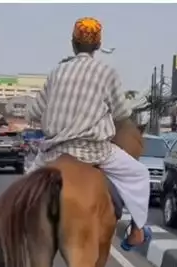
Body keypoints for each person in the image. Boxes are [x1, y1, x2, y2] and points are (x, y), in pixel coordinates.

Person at [27, 17, 151, 250]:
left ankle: (20, 233)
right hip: (95, 151)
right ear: (97, 46)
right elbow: (121, 113)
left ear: (73, 44)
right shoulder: (107, 72)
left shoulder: (56, 72)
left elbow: (34, 111)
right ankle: (136, 232)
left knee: (23, 191)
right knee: (140, 175)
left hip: (53, 153)